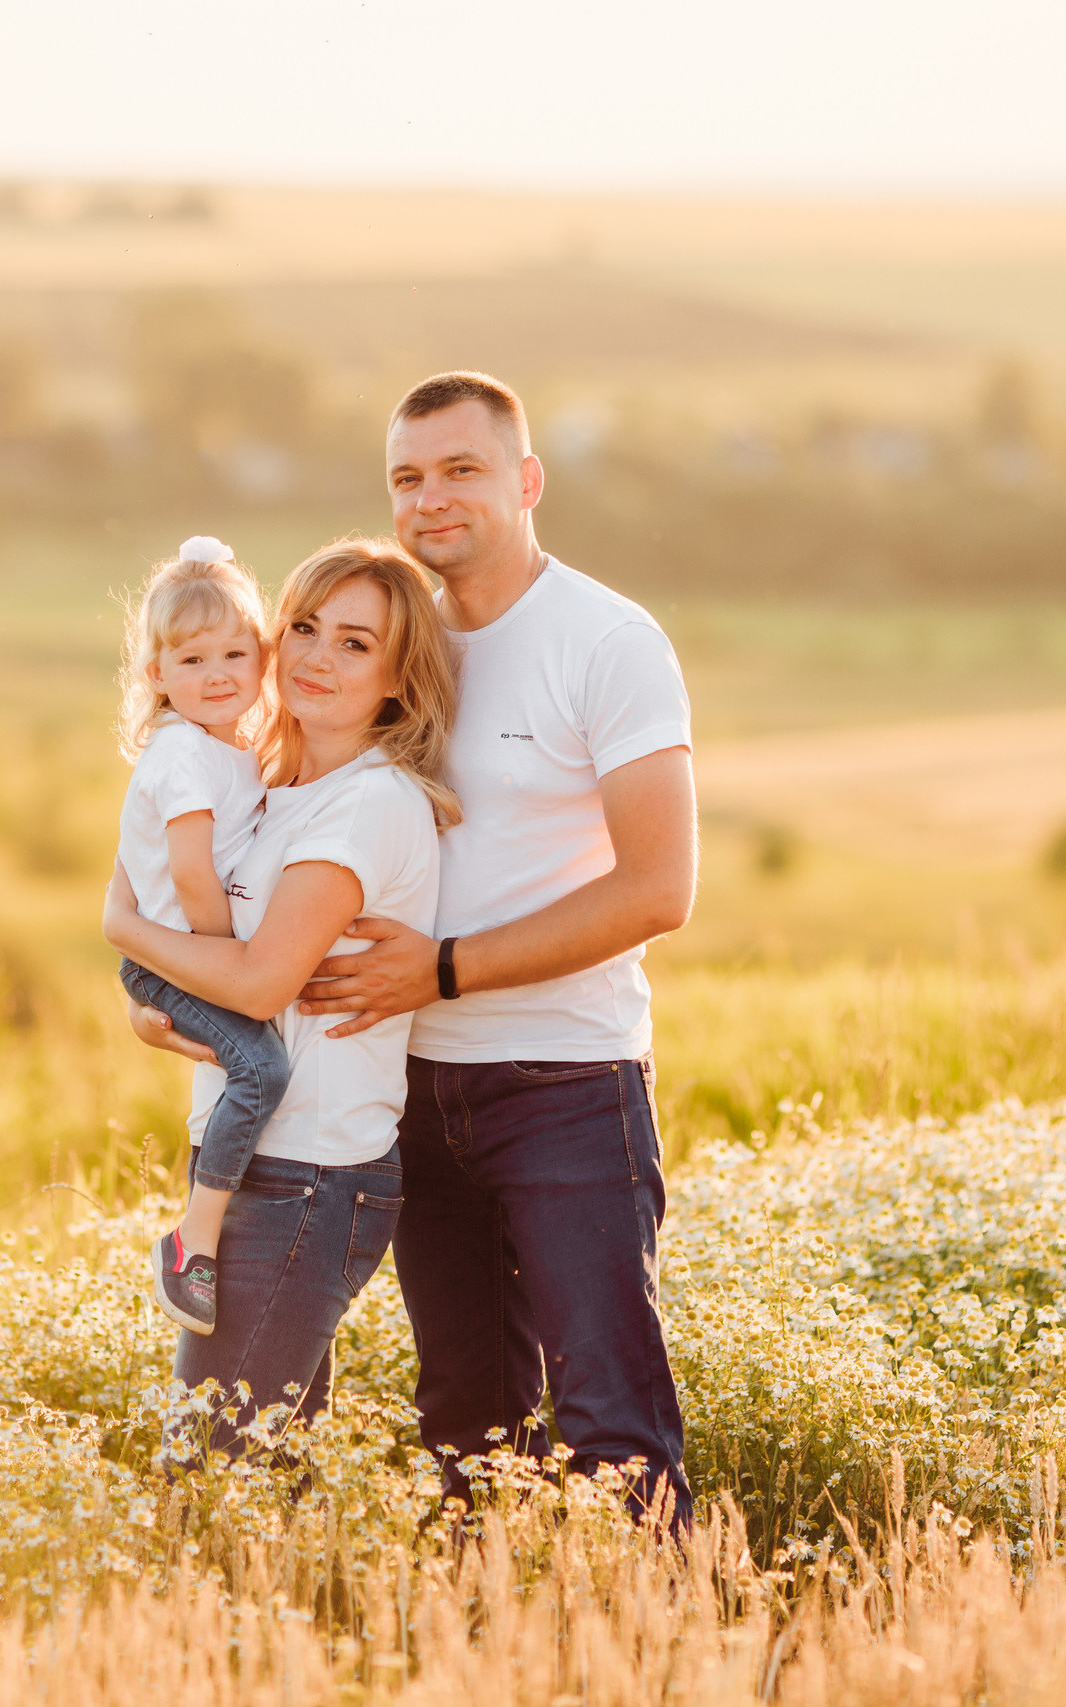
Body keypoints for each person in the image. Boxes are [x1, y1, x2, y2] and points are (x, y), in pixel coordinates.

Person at [131, 372, 700, 1524]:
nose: (431, 497)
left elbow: (659, 888)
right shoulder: (388, 632)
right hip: (406, 1092)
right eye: (406, 476)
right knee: (469, 1419)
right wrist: (182, 1003)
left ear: (525, 480)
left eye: (461, 469)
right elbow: (259, 873)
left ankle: (667, 1651)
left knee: (610, 1420)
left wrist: (441, 969)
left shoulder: (606, 640)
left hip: (564, 1080)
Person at [104, 537, 462, 1451]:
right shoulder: (267, 787)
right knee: (265, 1465)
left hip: (308, 1172)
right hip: (258, 1160)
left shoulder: (369, 803)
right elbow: (173, 899)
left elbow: (259, 982)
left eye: (354, 643)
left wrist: (128, 935)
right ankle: (306, 1596)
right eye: (302, 626)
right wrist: (157, 1010)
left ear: (396, 678)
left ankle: (207, 1597)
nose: (313, 655)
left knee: (215, 1465)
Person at [109, 536, 289, 1335]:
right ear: (156, 675)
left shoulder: (235, 747)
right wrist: (230, 962)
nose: (216, 674)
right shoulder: (182, 752)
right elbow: (188, 874)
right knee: (261, 1067)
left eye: (233, 653)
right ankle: (194, 1238)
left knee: (240, 1059)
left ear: (262, 658)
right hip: (175, 962)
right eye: (190, 661)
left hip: (185, 960)